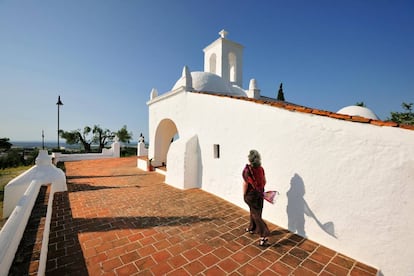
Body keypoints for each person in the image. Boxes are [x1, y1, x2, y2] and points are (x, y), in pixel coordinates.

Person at [242, 150, 270, 246]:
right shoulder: (261, 169)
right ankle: (252, 228)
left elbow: (246, 183)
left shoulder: (247, 170)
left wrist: (244, 194)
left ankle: (264, 234)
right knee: (256, 211)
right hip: (260, 192)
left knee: (255, 214)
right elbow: (264, 181)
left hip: (251, 194)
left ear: (250, 159)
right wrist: (260, 189)